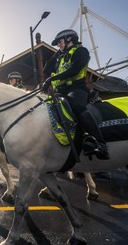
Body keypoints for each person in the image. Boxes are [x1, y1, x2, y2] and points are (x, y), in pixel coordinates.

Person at [42, 29, 109, 160]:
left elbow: (74, 70)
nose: (58, 45)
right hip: (60, 92)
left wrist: (51, 79)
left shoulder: (81, 51)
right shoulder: (60, 56)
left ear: (69, 39)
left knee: (77, 107)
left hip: (76, 89)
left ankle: (100, 144)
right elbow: (46, 69)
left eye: (59, 42)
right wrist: (57, 54)